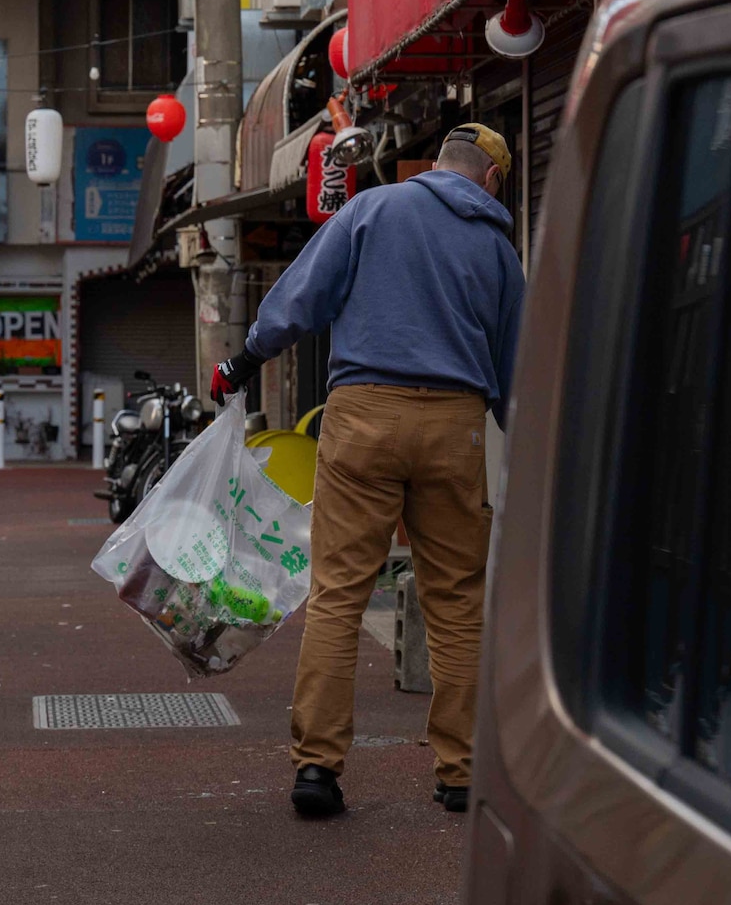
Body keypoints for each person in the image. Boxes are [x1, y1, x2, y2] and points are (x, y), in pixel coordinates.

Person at [211, 124, 524, 820]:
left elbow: (299, 299)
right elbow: (516, 372)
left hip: (361, 416)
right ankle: (459, 771)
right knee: (456, 600)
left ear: (438, 165)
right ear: (492, 180)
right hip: (454, 425)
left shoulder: (371, 209)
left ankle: (318, 767)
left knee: (339, 594)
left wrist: (243, 362)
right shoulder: (498, 250)